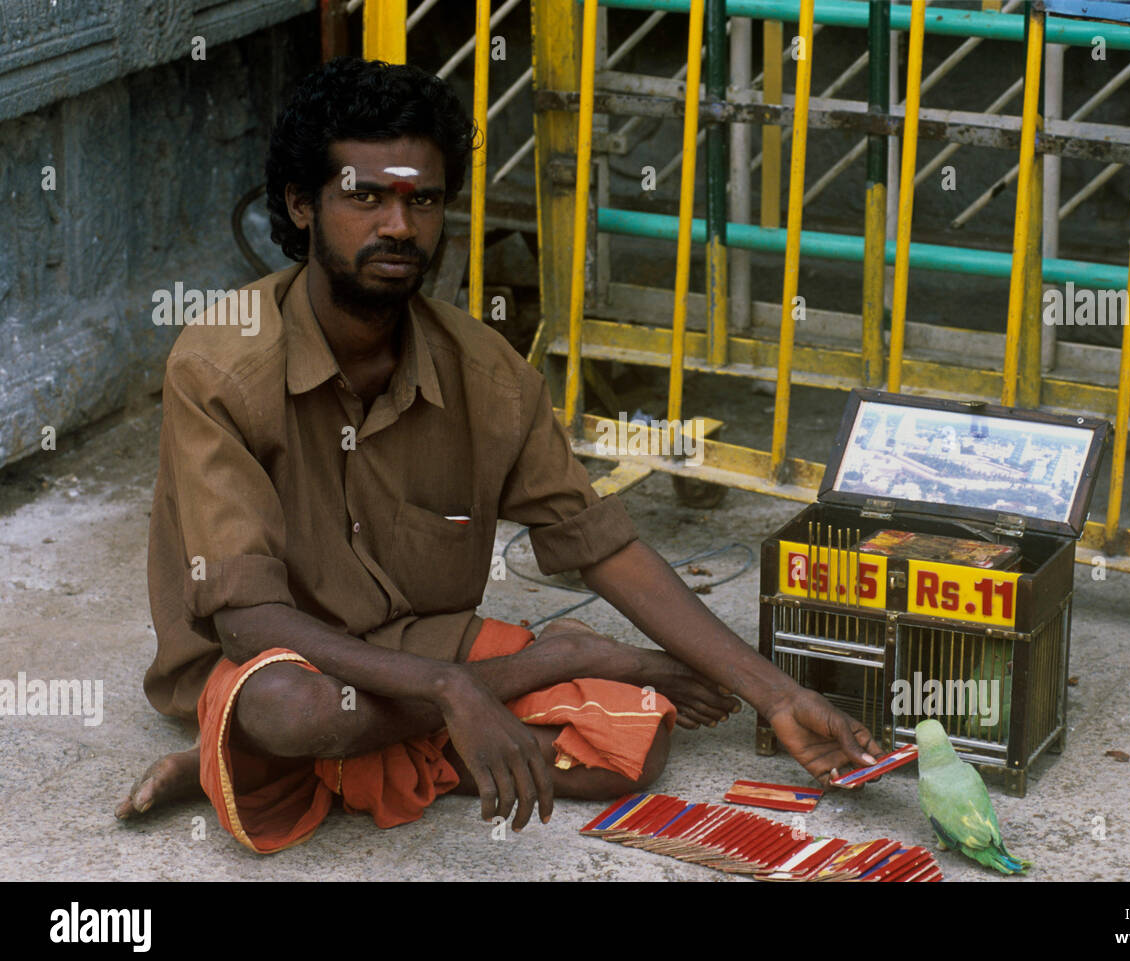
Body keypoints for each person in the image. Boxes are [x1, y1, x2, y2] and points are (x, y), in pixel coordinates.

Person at [116, 56, 882, 853]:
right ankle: (270, 742)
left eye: (424, 200)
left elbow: (602, 546)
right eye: (365, 197)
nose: (398, 227)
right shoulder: (218, 364)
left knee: (631, 744)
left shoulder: (486, 373)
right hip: (272, 663)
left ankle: (264, 767)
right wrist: (469, 686)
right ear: (302, 205)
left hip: (411, 641)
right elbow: (247, 621)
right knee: (299, 714)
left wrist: (775, 694)